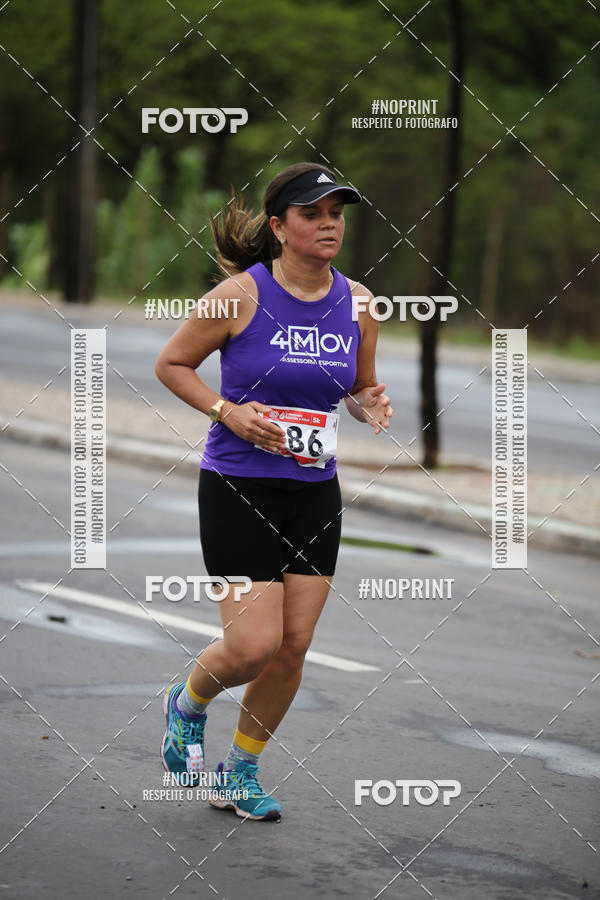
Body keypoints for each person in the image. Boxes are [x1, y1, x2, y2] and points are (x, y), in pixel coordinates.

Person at [155, 161, 392, 821]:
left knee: (291, 647)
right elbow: (172, 364)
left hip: (314, 492)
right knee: (253, 644)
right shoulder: (240, 296)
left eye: (336, 214)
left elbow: (356, 386)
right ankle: (187, 703)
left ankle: (241, 771)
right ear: (282, 226)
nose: (328, 225)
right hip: (239, 484)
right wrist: (226, 411)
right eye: (313, 214)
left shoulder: (360, 303)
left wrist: (369, 403)